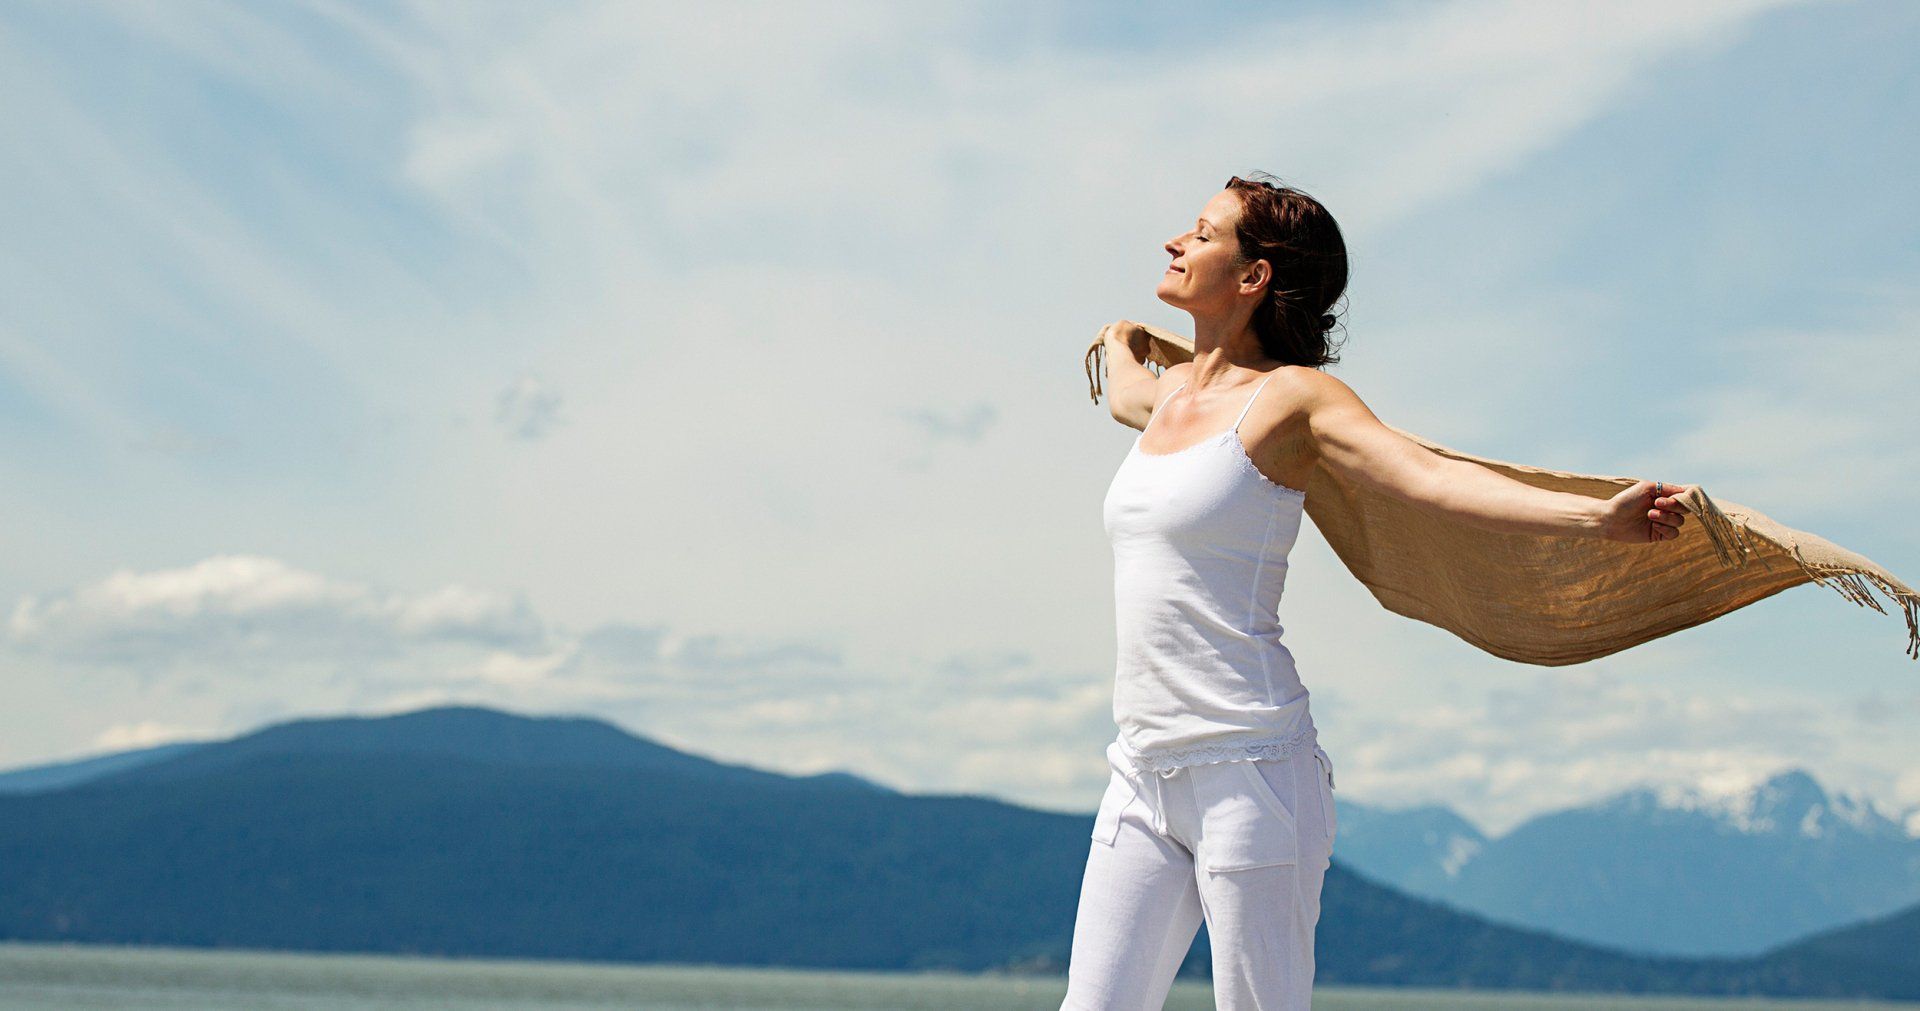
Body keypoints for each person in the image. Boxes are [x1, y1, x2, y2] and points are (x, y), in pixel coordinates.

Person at [1059, 173, 1692, 1010]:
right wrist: (1117, 334)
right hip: (1141, 768)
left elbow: (1424, 475)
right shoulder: (1174, 399)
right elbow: (1125, 391)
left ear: (1254, 277)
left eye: (1201, 233)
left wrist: (1592, 521)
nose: (1175, 242)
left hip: (1251, 771)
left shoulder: (1292, 401)